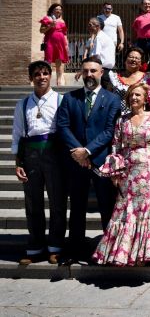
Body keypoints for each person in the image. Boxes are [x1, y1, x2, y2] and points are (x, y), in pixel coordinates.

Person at [92, 83, 150, 266]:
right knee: (125, 209)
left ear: (146, 98)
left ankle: (144, 253)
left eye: (138, 95)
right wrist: (114, 172)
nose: (134, 98)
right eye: (131, 96)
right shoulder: (122, 120)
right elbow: (116, 146)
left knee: (147, 210)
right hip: (128, 171)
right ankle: (125, 252)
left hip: (148, 170)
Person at [56, 56, 122, 264]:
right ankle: (76, 248)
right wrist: (79, 152)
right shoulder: (70, 98)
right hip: (76, 162)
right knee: (77, 206)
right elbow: (63, 126)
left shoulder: (112, 99)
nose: (89, 75)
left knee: (107, 205)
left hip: (101, 161)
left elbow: (110, 130)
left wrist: (88, 151)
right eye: (85, 71)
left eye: (93, 71)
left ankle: (108, 248)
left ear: (101, 72)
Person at [12, 61, 66, 265]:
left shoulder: (61, 100)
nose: (41, 77)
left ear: (50, 75)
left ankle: (55, 247)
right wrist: (18, 163)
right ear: (31, 78)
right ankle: (35, 246)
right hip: (31, 155)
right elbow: (17, 134)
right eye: (37, 74)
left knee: (57, 201)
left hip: (54, 153)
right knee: (33, 202)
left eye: (45, 73)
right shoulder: (23, 104)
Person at [108, 48, 147, 116]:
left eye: (137, 58)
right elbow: (107, 96)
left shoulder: (146, 78)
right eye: (131, 57)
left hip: (138, 116)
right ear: (125, 60)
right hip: (116, 116)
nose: (133, 60)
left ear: (141, 63)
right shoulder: (114, 77)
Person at [39, 3, 69, 86]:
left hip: (60, 44)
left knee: (59, 63)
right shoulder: (47, 18)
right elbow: (41, 30)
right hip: (50, 43)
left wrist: (66, 45)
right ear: (52, 10)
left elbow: (65, 33)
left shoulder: (62, 21)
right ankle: (46, 81)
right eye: (57, 9)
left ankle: (59, 81)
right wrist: (50, 26)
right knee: (48, 62)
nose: (59, 10)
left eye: (60, 9)